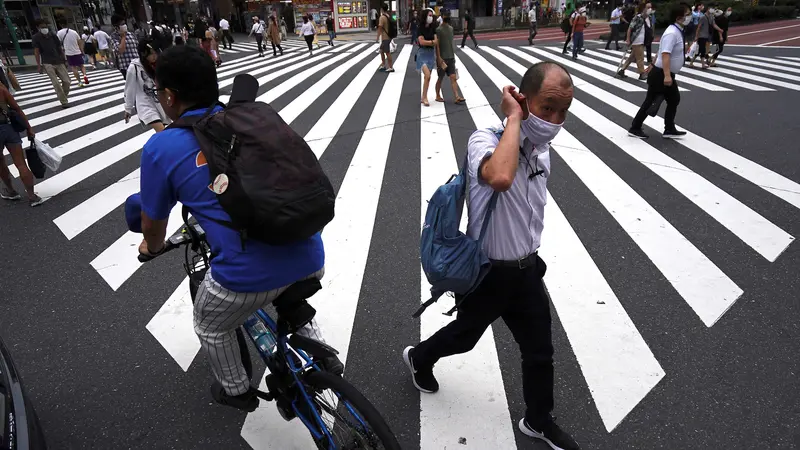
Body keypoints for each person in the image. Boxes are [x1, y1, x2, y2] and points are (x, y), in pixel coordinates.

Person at [136, 45, 342, 411]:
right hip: (309, 249)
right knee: (288, 293)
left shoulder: (162, 147)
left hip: (246, 276)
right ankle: (322, 353)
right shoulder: (249, 120)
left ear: (169, 96)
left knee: (211, 324)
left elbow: (153, 224)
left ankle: (236, 390)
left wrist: (150, 249)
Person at [403, 61, 580, 450]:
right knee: (465, 338)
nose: (554, 119)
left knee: (539, 351)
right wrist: (513, 118)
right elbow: (500, 177)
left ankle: (537, 419)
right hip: (488, 273)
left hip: (526, 271)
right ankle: (419, 358)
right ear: (523, 98)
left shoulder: (540, 150)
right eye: (547, 107)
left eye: (562, 111)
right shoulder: (485, 139)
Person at [628, 3, 691, 140]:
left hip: (663, 72)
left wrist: (652, 64)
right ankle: (635, 127)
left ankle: (669, 128)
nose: (689, 17)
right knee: (650, 101)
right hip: (662, 73)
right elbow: (666, 54)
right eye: (687, 14)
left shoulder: (676, 30)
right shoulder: (672, 33)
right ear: (679, 17)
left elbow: (661, 50)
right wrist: (667, 75)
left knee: (673, 99)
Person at [0, 84, 42, 206]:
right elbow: (17, 109)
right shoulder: (1, 88)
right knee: (20, 163)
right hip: (8, 128)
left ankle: (11, 191)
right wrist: (29, 128)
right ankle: (32, 196)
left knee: (1, 162)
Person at [124, 40, 170, 133]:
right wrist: (128, 108)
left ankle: (161, 146)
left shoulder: (158, 65)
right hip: (145, 105)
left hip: (159, 102)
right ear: (143, 54)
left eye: (155, 53)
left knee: (164, 132)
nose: (154, 56)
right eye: (151, 54)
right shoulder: (134, 67)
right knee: (161, 130)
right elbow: (129, 89)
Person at [32, 20, 70, 108]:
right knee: (56, 83)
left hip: (59, 60)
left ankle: (63, 96)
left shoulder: (53, 35)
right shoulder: (36, 38)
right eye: (42, 27)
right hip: (47, 62)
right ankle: (64, 101)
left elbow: (59, 47)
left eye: (45, 26)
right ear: (38, 28)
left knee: (67, 81)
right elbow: (36, 52)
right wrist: (39, 65)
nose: (44, 28)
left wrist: (65, 59)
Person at [435, 9, 464, 105]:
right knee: (440, 78)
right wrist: (438, 58)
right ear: (442, 16)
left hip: (450, 57)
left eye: (448, 14)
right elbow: (437, 45)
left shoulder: (451, 29)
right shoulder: (438, 30)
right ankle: (437, 95)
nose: (447, 16)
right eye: (446, 15)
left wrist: (453, 56)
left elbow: (451, 43)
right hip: (442, 58)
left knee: (453, 77)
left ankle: (456, 96)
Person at [617, 2, 650, 80]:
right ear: (643, 9)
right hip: (637, 41)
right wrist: (628, 39)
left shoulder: (646, 18)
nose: (650, 9)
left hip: (641, 41)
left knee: (632, 57)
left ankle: (622, 70)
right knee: (640, 58)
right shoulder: (637, 17)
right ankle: (642, 73)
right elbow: (630, 28)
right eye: (648, 8)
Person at [417, 9, 437, 106]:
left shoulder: (433, 27)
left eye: (432, 16)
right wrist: (432, 42)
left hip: (431, 54)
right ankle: (424, 98)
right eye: (429, 15)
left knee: (427, 78)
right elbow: (421, 42)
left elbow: (436, 41)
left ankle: (423, 96)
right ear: (425, 16)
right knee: (427, 75)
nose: (431, 17)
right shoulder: (420, 28)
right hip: (422, 54)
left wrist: (429, 42)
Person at [111, 15, 139, 79]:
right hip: (126, 67)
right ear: (116, 26)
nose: (124, 25)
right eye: (122, 24)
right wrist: (123, 36)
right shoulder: (114, 36)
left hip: (138, 65)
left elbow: (137, 48)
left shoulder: (131, 34)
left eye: (124, 23)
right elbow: (120, 50)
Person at [377, 3, 394, 72]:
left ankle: (390, 67)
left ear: (381, 9)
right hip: (388, 36)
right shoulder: (388, 15)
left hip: (385, 37)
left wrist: (377, 37)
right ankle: (383, 64)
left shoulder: (382, 17)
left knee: (387, 52)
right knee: (381, 50)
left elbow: (380, 28)